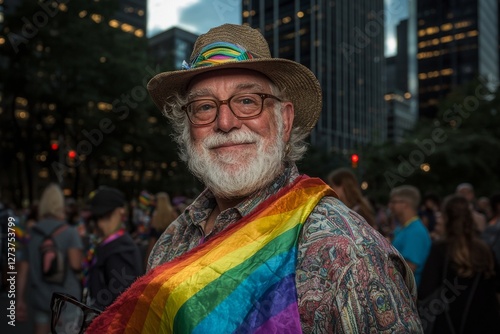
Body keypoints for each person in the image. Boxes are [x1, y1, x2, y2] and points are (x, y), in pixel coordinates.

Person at [87, 23, 422, 333]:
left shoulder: (346, 251)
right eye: (204, 106)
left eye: (247, 101)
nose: (226, 122)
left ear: (285, 120)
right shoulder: (173, 240)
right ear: (187, 128)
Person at [419, 195, 500, 333]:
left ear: (446, 218)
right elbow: (496, 288)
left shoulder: (441, 249)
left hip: (449, 322)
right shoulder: (485, 250)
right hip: (485, 322)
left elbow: (425, 290)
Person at [18, 183, 83, 334]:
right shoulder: (70, 232)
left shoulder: (31, 232)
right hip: (66, 300)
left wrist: (19, 299)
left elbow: (22, 268)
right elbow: (76, 265)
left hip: (40, 297)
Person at [85, 186, 143, 311]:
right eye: (97, 218)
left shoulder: (122, 250)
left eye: (106, 216)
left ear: (121, 212)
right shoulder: (110, 244)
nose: (100, 224)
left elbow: (121, 303)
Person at [389, 185, 432, 286]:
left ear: (405, 204)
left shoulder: (416, 232)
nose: (390, 206)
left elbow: (409, 269)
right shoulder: (403, 228)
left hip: (405, 293)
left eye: (394, 202)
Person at [144, 192, 178, 265]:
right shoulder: (173, 214)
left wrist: (147, 259)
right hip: (172, 251)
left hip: (158, 253)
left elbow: (152, 239)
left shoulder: (155, 217)